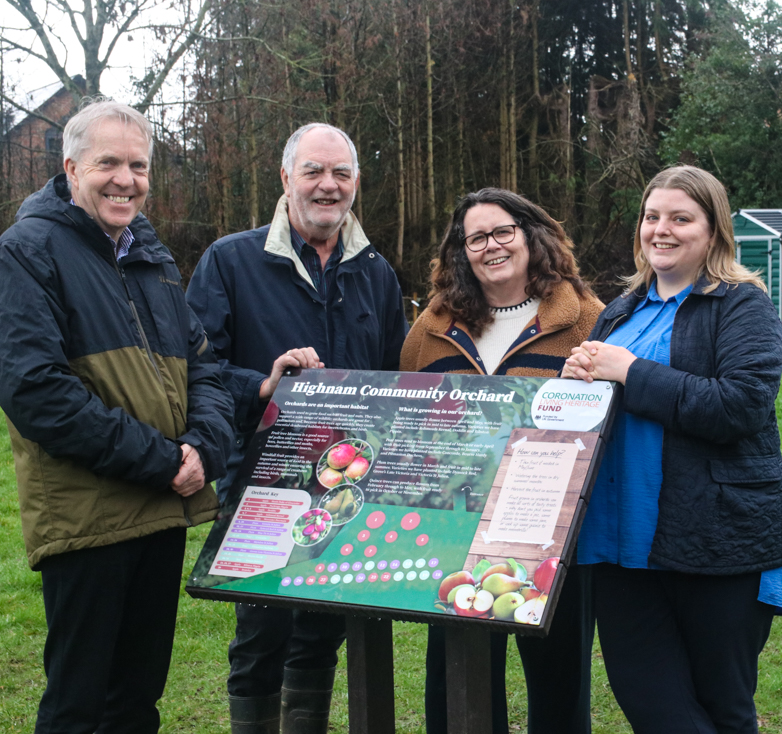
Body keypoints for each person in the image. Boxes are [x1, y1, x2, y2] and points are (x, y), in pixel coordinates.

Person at [0, 98, 234, 734]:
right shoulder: (26, 251)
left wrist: (204, 451)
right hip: (88, 519)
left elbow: (204, 369)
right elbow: (37, 392)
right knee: (80, 706)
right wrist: (164, 461)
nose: (125, 179)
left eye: (138, 165)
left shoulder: (153, 259)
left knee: (136, 703)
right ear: (72, 168)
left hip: (159, 511)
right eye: (109, 163)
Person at [561, 165, 782, 734]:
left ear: (713, 230)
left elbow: (741, 406)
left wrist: (630, 371)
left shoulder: (742, 304)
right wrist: (579, 380)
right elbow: (607, 396)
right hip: (620, 544)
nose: (660, 230)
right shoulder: (622, 309)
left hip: (717, 539)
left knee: (722, 707)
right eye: (652, 217)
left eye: (680, 218)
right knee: (653, 705)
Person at [186, 122, 408, 734]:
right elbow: (193, 370)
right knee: (261, 639)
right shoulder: (231, 261)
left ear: (356, 184)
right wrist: (262, 384)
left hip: (349, 489)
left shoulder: (377, 273)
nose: (327, 186)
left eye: (340, 174)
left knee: (321, 636)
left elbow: (393, 381)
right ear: (285, 179)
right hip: (265, 486)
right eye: (313, 171)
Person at [400, 187, 604, 734]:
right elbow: (409, 417)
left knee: (560, 682)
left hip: (555, 534)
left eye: (502, 232)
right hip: (458, 530)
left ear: (530, 234)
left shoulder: (586, 318)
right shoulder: (432, 328)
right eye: (476, 238)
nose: (491, 246)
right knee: (456, 679)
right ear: (460, 252)